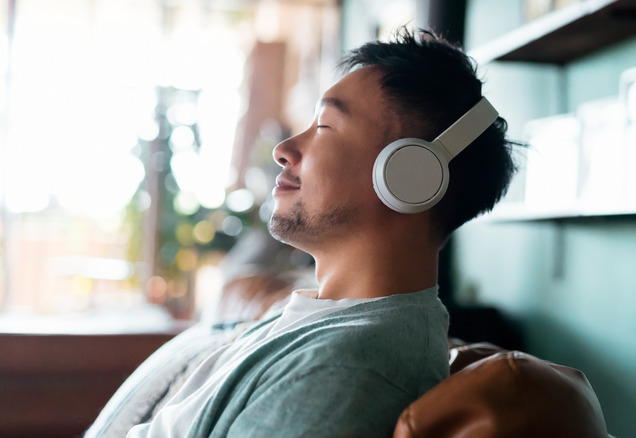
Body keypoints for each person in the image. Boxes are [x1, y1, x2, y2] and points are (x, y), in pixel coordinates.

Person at [124, 28, 518, 437]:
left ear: (410, 175)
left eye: (325, 126)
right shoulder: (313, 318)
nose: (285, 149)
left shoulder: (347, 367)